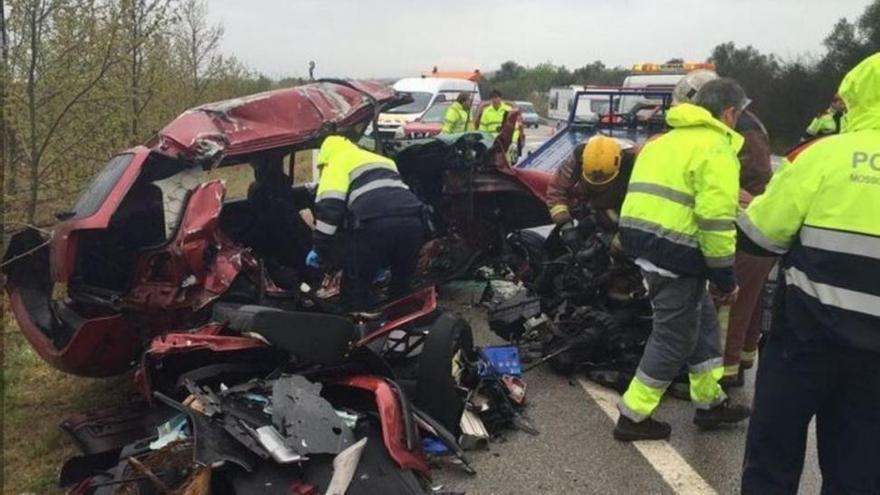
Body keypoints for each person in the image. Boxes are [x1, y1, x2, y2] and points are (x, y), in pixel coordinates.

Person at [739, 53, 880, 494]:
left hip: (803, 341)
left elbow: (760, 237)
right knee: (859, 471)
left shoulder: (822, 157)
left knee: (772, 461)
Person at [613, 78, 752, 441]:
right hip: (676, 254)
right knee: (674, 336)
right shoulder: (716, 149)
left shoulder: (665, 141)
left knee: (703, 322)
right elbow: (716, 221)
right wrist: (725, 277)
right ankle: (634, 415)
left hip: (645, 244)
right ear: (729, 113)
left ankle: (709, 401)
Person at [672, 69, 776, 388]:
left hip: (745, 226)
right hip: (756, 226)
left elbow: (751, 180)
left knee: (730, 304)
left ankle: (722, 375)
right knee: (749, 302)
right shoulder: (746, 123)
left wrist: (740, 199)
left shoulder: (740, 128)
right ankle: (741, 361)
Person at [309, 135, 425, 311]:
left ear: (325, 158)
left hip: (376, 223)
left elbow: (330, 208)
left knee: (355, 286)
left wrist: (319, 247)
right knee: (401, 283)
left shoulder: (336, 162)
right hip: (413, 221)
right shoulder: (383, 160)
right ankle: (403, 324)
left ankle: (356, 331)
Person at [545, 135, 636, 248]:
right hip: (592, 204)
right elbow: (557, 190)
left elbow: (642, 204)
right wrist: (565, 226)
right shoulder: (580, 154)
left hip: (621, 208)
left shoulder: (634, 160)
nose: (598, 184)